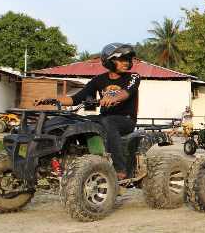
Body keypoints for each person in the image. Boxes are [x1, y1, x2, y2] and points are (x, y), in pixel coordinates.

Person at [36, 43, 140, 180]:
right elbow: (76, 98)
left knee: (108, 122)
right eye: (122, 59)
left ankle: (119, 169)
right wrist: (51, 99)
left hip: (126, 120)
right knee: (73, 121)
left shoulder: (133, 77)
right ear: (109, 61)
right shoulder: (99, 80)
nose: (126, 63)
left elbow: (126, 93)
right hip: (104, 118)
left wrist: (113, 97)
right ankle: (52, 160)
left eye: (128, 59)